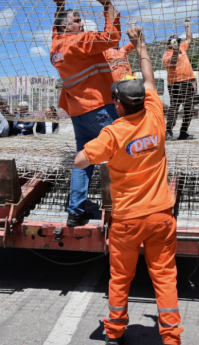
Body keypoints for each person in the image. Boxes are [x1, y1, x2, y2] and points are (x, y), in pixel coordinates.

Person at [74, 26, 182, 345]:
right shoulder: (155, 114)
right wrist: (141, 47)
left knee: (121, 279)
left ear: (117, 104)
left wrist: (84, 151)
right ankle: (172, 337)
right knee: (165, 278)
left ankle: (115, 332)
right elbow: (148, 79)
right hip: (161, 215)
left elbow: (81, 161)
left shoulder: (112, 134)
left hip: (127, 220)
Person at [51, 0, 121, 227]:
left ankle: (75, 211)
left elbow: (56, 27)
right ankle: (125, 206)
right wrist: (108, 6)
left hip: (78, 112)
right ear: (66, 27)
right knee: (122, 154)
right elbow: (112, 38)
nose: (81, 24)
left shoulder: (55, 46)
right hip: (99, 107)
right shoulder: (80, 41)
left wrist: (60, 6)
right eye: (77, 21)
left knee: (83, 161)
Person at [162, 21, 197, 141]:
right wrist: (176, 50)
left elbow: (190, 38)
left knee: (189, 108)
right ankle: (168, 131)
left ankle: (183, 132)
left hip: (187, 82)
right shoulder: (167, 54)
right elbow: (173, 61)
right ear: (168, 43)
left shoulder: (182, 48)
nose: (176, 42)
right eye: (173, 41)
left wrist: (187, 26)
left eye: (177, 40)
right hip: (175, 83)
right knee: (174, 107)